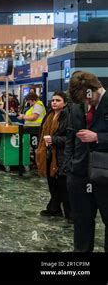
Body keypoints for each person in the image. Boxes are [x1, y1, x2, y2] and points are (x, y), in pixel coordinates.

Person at [64, 71, 108, 252]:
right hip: (79, 174)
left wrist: (98, 137)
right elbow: (70, 137)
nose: (86, 103)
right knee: (81, 224)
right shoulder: (77, 106)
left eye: (88, 99)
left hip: (104, 174)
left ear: (96, 88)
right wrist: (68, 166)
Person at [35, 91, 71, 222]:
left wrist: (54, 140)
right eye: (53, 100)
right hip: (48, 153)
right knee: (51, 182)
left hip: (61, 155)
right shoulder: (49, 115)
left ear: (65, 103)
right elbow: (41, 131)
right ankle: (55, 209)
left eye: (58, 100)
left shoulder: (67, 117)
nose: (54, 102)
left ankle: (67, 213)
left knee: (62, 184)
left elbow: (69, 138)